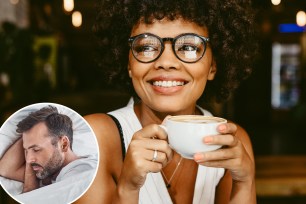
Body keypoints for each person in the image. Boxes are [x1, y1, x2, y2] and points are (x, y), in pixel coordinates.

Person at [77, 0, 258, 203]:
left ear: (212, 66)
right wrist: (127, 189)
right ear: (129, 64)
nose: (166, 62)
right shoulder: (94, 140)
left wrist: (244, 183)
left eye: (189, 47)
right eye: (147, 47)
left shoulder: (231, 141)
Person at [0, 105, 97, 193]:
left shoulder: (82, 173)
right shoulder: (50, 172)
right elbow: (5, 169)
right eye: (25, 151)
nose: (28, 160)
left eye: (36, 149)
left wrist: (29, 190)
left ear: (63, 144)